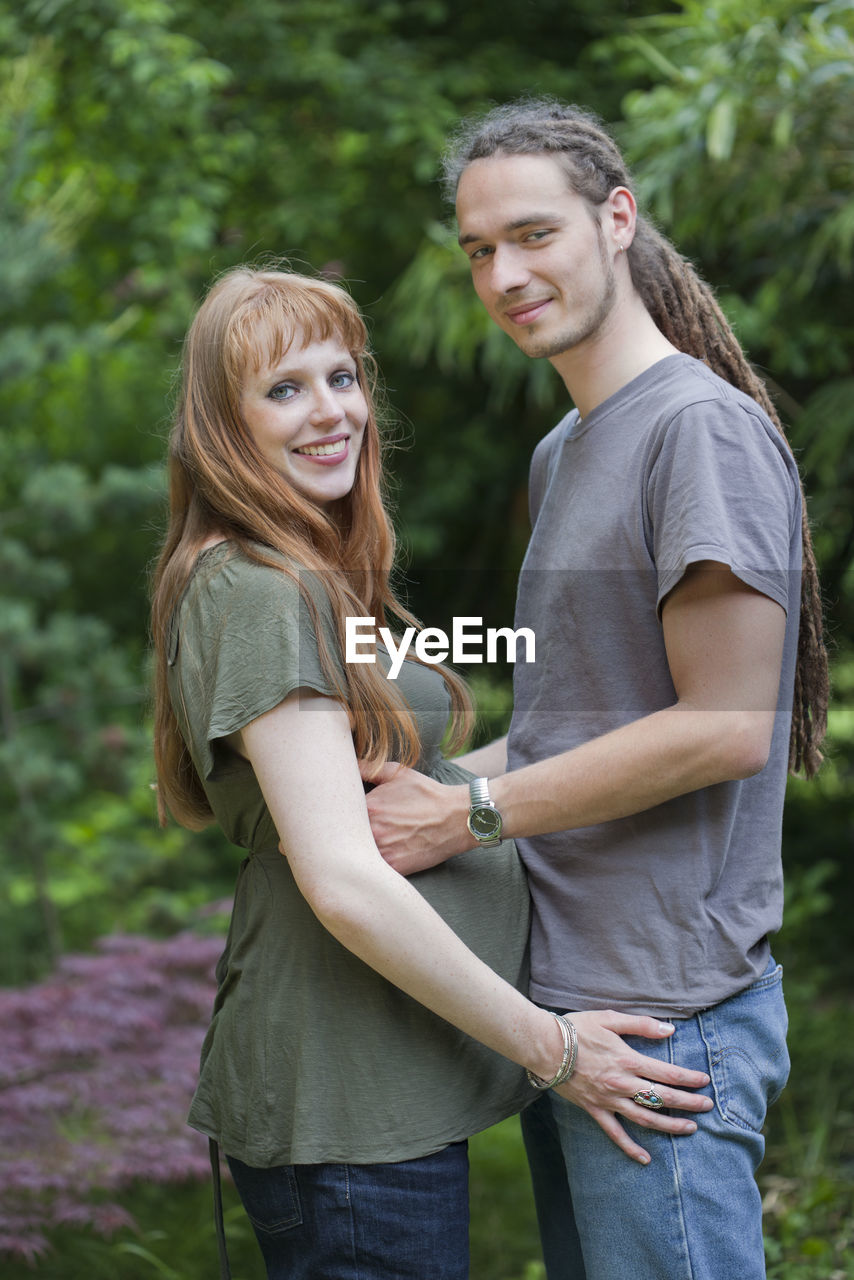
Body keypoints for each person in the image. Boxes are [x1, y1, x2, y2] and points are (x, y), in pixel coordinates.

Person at [149, 265, 713, 1280]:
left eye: (341, 376)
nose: (330, 411)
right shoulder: (258, 591)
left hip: (377, 1088)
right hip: (344, 1107)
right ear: (222, 423)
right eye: (283, 389)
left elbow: (423, 783)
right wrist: (556, 1049)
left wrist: (636, 729)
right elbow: (346, 878)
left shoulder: (306, 579)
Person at [361, 101, 829, 1280]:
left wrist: (462, 813)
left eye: (533, 234)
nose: (504, 274)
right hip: (567, 1007)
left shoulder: (697, 434)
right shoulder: (563, 450)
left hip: (666, 1017)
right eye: (477, 251)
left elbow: (723, 726)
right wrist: (398, 790)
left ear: (615, 218)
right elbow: (573, 724)